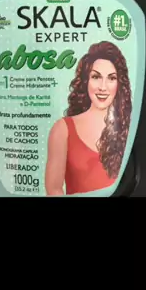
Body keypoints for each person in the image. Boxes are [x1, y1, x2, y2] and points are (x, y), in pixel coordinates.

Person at [45, 41, 132, 195]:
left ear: (119, 84)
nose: (103, 87)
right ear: (86, 80)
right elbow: (53, 189)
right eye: (96, 77)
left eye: (111, 78)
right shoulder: (63, 129)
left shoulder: (129, 127)